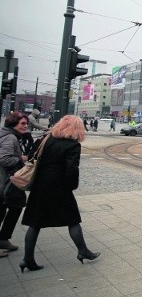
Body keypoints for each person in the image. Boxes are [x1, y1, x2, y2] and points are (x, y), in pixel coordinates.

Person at [19, 115, 100, 273]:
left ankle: (27, 259)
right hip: (59, 187)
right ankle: (82, 251)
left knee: (35, 223)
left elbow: (31, 157)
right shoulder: (72, 145)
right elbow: (71, 171)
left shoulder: (46, 138)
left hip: (40, 186)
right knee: (73, 219)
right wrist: (71, 186)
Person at [0, 112, 29, 257]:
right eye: (22, 123)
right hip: (4, 182)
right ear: (13, 124)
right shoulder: (10, 138)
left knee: (15, 205)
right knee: (5, 209)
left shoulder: (8, 134)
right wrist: (21, 158)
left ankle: (4, 238)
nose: (25, 126)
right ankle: (3, 239)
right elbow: (4, 159)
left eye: (26, 123)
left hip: (6, 181)